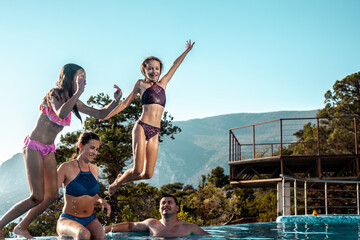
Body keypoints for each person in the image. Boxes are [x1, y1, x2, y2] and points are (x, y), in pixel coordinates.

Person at [0, 63, 122, 240]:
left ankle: (21, 226)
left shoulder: (75, 102)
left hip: (49, 149)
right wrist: (78, 92)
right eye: (81, 77)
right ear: (69, 77)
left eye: (85, 78)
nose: (84, 81)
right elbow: (61, 113)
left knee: (50, 196)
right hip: (33, 146)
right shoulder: (54, 94)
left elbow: (101, 114)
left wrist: (115, 100)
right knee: (36, 196)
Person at [102, 40, 195, 195]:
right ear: (144, 70)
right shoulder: (140, 84)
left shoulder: (164, 83)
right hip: (142, 127)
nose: (154, 71)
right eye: (150, 68)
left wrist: (186, 51)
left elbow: (175, 65)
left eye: (157, 68)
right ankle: (117, 182)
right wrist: (107, 116)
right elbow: (125, 103)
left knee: (147, 174)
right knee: (137, 169)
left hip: (155, 131)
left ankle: (121, 180)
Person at [56, 131, 110, 239]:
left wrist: (100, 200)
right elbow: (49, 194)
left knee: (101, 236)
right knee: (84, 234)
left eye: (97, 149)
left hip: (90, 219)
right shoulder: (66, 167)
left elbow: (91, 195)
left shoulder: (94, 169)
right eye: (92, 148)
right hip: (68, 220)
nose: (95, 152)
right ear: (81, 146)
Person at [104, 195, 209, 237]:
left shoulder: (189, 227)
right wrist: (105, 229)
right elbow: (130, 226)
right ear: (159, 209)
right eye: (163, 203)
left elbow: (209, 237)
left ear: (177, 208)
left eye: (169, 202)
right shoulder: (151, 223)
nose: (166, 205)